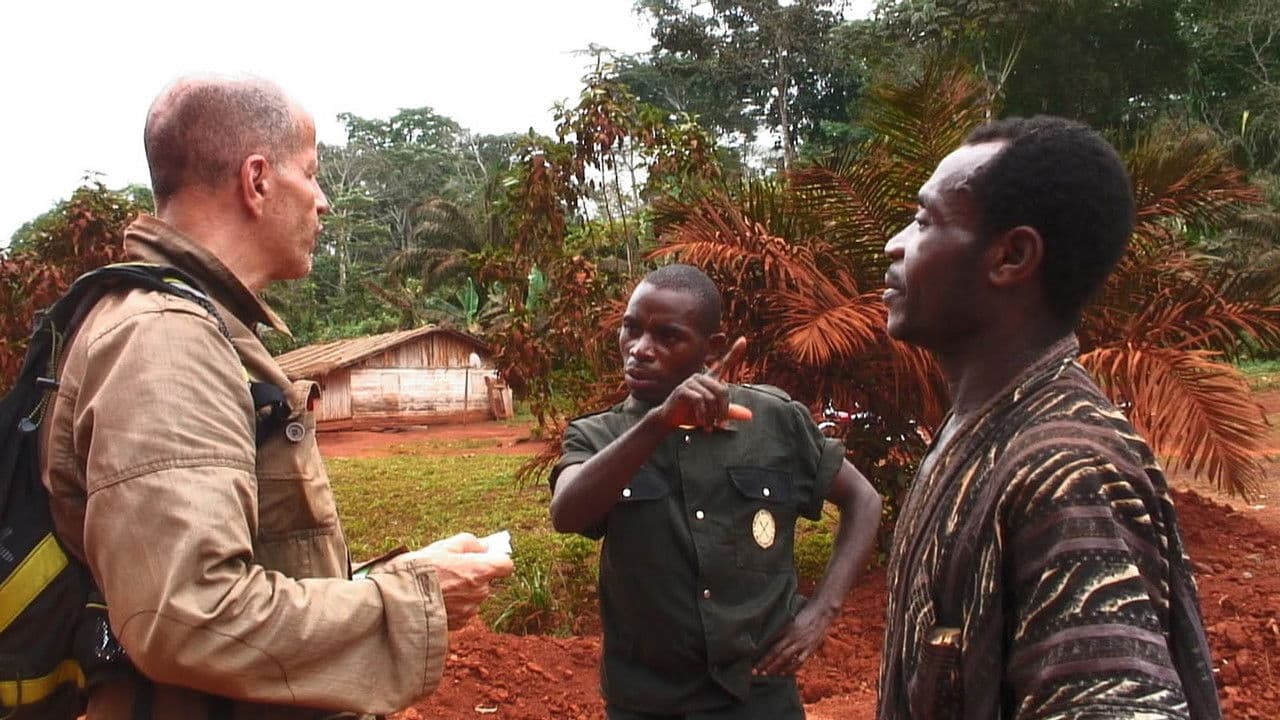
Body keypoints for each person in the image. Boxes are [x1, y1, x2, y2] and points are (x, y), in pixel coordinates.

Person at [39, 75, 513, 719]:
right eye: (312, 174)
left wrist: (378, 581)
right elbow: (190, 617)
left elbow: (234, 574)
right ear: (257, 181)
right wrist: (410, 598)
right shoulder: (165, 342)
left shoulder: (196, 326)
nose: (322, 201)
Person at [877, 116, 1221, 719]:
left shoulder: (1062, 471)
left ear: (1011, 256)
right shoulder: (980, 428)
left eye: (925, 220)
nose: (895, 244)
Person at [550, 264, 883, 719]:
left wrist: (822, 611)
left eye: (668, 337)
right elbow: (566, 515)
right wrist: (659, 422)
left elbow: (863, 500)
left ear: (713, 349)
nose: (640, 350)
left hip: (758, 695)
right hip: (647, 702)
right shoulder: (597, 437)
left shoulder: (773, 420)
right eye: (631, 329)